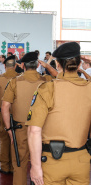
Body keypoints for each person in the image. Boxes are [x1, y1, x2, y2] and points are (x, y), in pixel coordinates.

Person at [26, 42, 91, 185]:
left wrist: (35, 167)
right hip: (82, 161)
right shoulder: (89, 87)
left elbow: (34, 131)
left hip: (52, 163)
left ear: (57, 64)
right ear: (80, 63)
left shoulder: (47, 88)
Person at [1, 52, 58, 185]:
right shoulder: (47, 80)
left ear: (22, 65)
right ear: (38, 64)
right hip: (42, 130)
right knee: (43, 165)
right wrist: (48, 67)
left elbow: (5, 107)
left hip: (20, 129)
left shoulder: (14, 82)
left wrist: (9, 129)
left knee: (20, 165)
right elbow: (60, 77)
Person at [0, 55, 19, 174]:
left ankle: (6, 166)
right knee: (17, 139)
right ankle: (16, 165)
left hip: (3, 112)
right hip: (18, 113)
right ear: (15, 66)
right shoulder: (20, 78)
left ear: (5, 66)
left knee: (5, 139)